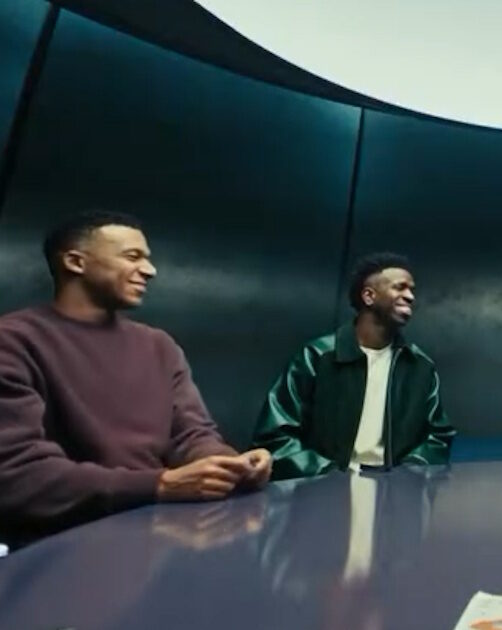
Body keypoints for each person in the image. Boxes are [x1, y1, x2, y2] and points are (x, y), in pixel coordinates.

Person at [0, 210, 270, 545]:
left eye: (147, 258)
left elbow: (191, 435)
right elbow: (18, 474)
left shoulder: (158, 346)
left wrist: (230, 465)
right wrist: (159, 485)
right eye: (132, 257)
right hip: (55, 547)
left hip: (157, 538)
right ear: (75, 262)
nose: (150, 270)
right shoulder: (13, 340)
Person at [252, 252, 455, 479]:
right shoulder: (317, 357)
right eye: (400, 287)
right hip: (324, 491)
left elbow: (438, 437)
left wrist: (405, 475)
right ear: (369, 296)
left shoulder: (419, 367)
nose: (410, 296)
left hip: (395, 492)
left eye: (412, 290)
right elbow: (276, 436)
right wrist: (329, 476)